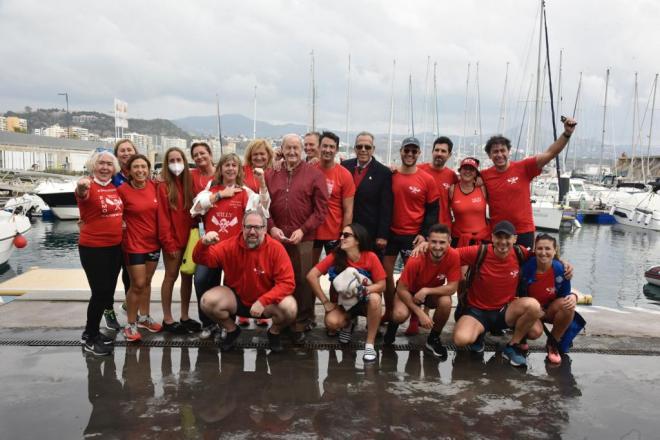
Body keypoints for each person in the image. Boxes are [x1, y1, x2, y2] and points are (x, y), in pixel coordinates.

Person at [193, 210, 298, 352]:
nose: (252, 231)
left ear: (265, 229)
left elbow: (287, 283)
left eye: (257, 227)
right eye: (248, 227)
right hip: (237, 300)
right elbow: (202, 259)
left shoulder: (276, 249)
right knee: (206, 301)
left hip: (265, 304)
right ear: (242, 227)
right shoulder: (229, 246)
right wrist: (203, 244)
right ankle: (232, 330)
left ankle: (274, 332)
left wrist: (263, 301)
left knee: (290, 307)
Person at [190, 152, 270, 336]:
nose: (231, 168)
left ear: (239, 170)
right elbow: (195, 209)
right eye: (227, 165)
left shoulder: (245, 192)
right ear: (220, 169)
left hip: (235, 251)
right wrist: (219, 195)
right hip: (212, 249)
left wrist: (263, 184)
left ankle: (228, 325)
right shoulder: (211, 189)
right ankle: (208, 323)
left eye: (234, 165)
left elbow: (263, 210)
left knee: (233, 287)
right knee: (202, 280)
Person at [453, 220, 542, 367]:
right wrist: (426, 246)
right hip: (477, 311)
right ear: (492, 238)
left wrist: (564, 265)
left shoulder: (520, 253)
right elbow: (449, 254)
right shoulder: (479, 251)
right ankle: (479, 335)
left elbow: (545, 258)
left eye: (507, 238)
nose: (503, 242)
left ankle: (513, 345)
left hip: (504, 311)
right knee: (461, 339)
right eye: (499, 237)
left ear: (515, 239)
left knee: (534, 313)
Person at [266, 133, 328, 344]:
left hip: (304, 237)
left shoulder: (314, 174)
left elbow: (321, 210)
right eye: (288, 148)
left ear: (302, 150)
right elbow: (262, 207)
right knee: (279, 279)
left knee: (303, 280)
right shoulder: (270, 174)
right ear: (281, 149)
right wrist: (271, 228)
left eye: (296, 148)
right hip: (276, 237)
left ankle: (302, 321)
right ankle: (280, 318)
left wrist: (303, 230)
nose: (292, 152)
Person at [480, 117, 577, 249]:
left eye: (503, 150)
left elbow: (550, 153)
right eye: (495, 152)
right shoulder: (484, 176)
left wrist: (567, 134)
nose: (499, 154)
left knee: (523, 269)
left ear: (509, 151)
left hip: (523, 231)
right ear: (489, 155)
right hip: (499, 234)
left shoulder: (524, 167)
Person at [383, 137, 439, 334]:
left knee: (413, 279)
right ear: (401, 151)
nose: (410, 154)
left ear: (419, 154)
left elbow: (433, 211)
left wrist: (424, 235)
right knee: (386, 276)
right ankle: (389, 311)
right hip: (390, 233)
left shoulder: (427, 179)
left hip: (413, 237)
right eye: (407, 150)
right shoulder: (390, 175)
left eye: (414, 151)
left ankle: (414, 318)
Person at [307, 223, 386, 362]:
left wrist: (366, 290)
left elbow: (382, 285)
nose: (341, 238)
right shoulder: (335, 256)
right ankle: (348, 324)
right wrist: (325, 302)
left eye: (346, 235)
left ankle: (369, 344)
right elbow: (311, 276)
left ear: (358, 240)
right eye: (341, 235)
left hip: (364, 302)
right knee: (331, 322)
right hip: (344, 303)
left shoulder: (370, 257)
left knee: (375, 299)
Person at [384, 224, 460, 360]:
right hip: (409, 291)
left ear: (450, 242)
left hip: (430, 293)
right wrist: (419, 312)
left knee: (446, 302)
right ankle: (392, 328)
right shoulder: (416, 258)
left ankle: (434, 338)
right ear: (427, 241)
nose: (437, 246)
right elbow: (401, 289)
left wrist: (426, 290)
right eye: (434, 242)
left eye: (442, 242)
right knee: (399, 315)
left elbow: (453, 287)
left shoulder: (454, 255)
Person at [77, 149, 124, 355]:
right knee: (99, 293)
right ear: (93, 166)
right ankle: (90, 335)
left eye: (109, 164)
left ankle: (93, 332)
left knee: (107, 292)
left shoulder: (115, 186)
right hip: (93, 248)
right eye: (101, 163)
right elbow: (81, 193)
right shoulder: (88, 185)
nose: (105, 167)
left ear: (114, 168)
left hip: (115, 246)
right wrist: (81, 187)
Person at [118, 154, 162, 341]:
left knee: (148, 282)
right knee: (137, 283)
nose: (140, 170)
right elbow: (113, 212)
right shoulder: (122, 190)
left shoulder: (155, 186)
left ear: (149, 169)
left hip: (153, 243)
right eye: (136, 167)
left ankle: (144, 317)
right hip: (133, 244)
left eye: (143, 166)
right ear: (129, 170)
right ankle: (130, 324)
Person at [158, 147, 198, 334]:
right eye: (172, 160)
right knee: (170, 277)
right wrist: (169, 243)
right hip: (172, 242)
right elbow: (163, 219)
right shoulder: (163, 186)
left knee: (187, 276)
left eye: (179, 159)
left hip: (190, 240)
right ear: (167, 164)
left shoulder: (189, 183)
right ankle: (167, 318)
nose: (176, 163)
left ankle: (185, 316)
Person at [522, 234, 578, 365]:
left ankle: (553, 343)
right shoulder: (527, 268)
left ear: (555, 250)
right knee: (534, 332)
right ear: (534, 250)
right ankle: (520, 339)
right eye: (540, 248)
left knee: (567, 306)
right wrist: (535, 310)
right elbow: (519, 296)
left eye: (547, 249)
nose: (543, 253)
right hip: (531, 310)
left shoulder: (561, 269)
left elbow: (564, 296)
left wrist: (573, 297)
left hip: (549, 310)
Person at [103, 138, 138, 330]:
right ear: (117, 155)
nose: (126, 153)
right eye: (122, 151)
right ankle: (108, 311)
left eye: (129, 150)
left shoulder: (139, 175)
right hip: (111, 235)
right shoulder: (111, 176)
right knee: (110, 275)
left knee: (131, 276)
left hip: (133, 236)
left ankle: (129, 308)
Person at [340, 131, 393, 256]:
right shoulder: (344, 166)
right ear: (355, 148)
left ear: (373, 149)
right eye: (359, 146)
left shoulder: (384, 172)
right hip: (347, 229)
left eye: (367, 147)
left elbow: (386, 207)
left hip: (370, 232)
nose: (363, 150)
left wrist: (382, 235)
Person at [313, 131, 355, 263]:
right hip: (312, 232)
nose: (327, 150)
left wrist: (345, 235)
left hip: (334, 233)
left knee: (336, 272)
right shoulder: (310, 170)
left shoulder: (345, 175)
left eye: (331, 147)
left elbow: (348, 210)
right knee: (309, 271)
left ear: (336, 149)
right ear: (319, 147)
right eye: (324, 146)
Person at [418, 136, 459, 232]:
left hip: (443, 228)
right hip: (421, 227)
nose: (439, 154)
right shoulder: (418, 170)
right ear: (432, 152)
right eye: (437, 150)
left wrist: (478, 179)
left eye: (443, 151)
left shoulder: (452, 176)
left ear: (449, 155)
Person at [449, 157, 490, 247]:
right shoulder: (453, 189)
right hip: (459, 239)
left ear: (476, 173)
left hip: (482, 239)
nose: (468, 171)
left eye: (471, 169)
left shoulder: (482, 188)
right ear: (460, 171)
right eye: (465, 168)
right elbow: (446, 211)